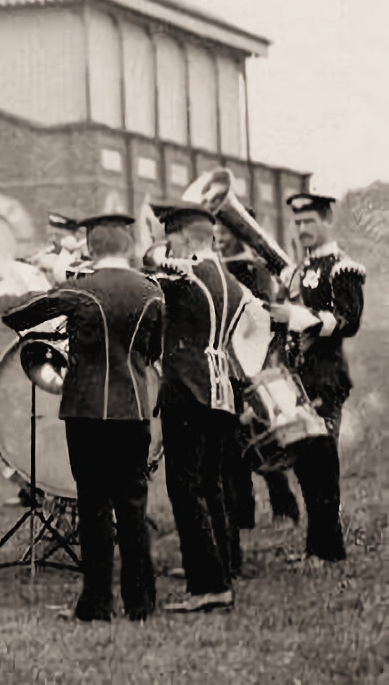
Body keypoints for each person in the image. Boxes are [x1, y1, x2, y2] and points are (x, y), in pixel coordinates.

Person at [0, 213, 164, 623]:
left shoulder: (79, 289)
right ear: (127, 246)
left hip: (87, 411)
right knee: (132, 506)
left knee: (93, 507)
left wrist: (6, 285)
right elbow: (155, 349)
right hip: (134, 410)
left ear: (90, 247)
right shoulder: (152, 291)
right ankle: (141, 604)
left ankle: (96, 604)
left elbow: (17, 314)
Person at [147, 202, 251, 614]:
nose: (166, 247)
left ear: (186, 237)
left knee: (186, 488)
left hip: (186, 390)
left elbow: (148, 270)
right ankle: (220, 571)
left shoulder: (184, 275)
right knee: (212, 485)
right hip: (220, 388)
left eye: (170, 237)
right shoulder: (232, 282)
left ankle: (208, 584)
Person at [270, 192, 366, 566]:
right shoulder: (302, 268)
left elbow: (348, 319)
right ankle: (318, 548)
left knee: (322, 467)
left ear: (328, 220)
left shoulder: (343, 268)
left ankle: (329, 551)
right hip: (298, 379)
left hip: (325, 379)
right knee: (307, 466)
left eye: (310, 221)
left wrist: (295, 316)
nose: (302, 228)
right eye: (297, 222)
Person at [216, 221, 299, 528]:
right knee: (233, 447)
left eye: (224, 231)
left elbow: (266, 318)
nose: (218, 237)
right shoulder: (223, 267)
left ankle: (285, 509)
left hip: (255, 366)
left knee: (263, 444)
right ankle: (241, 515)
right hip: (230, 368)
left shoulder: (255, 269)